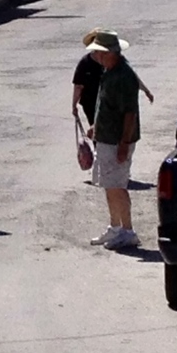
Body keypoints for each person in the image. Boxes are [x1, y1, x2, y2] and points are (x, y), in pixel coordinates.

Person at [83, 29, 143, 251]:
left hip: (118, 140)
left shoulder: (123, 75)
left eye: (100, 53)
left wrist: (124, 144)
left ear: (111, 53)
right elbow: (106, 106)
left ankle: (128, 231)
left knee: (118, 185)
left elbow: (129, 113)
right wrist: (96, 127)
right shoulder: (110, 71)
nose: (96, 57)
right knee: (109, 184)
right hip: (106, 138)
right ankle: (115, 227)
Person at [73, 27, 153, 127]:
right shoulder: (86, 63)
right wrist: (74, 105)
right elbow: (78, 86)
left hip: (113, 108)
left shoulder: (117, 65)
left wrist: (146, 90)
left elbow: (131, 78)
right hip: (91, 103)